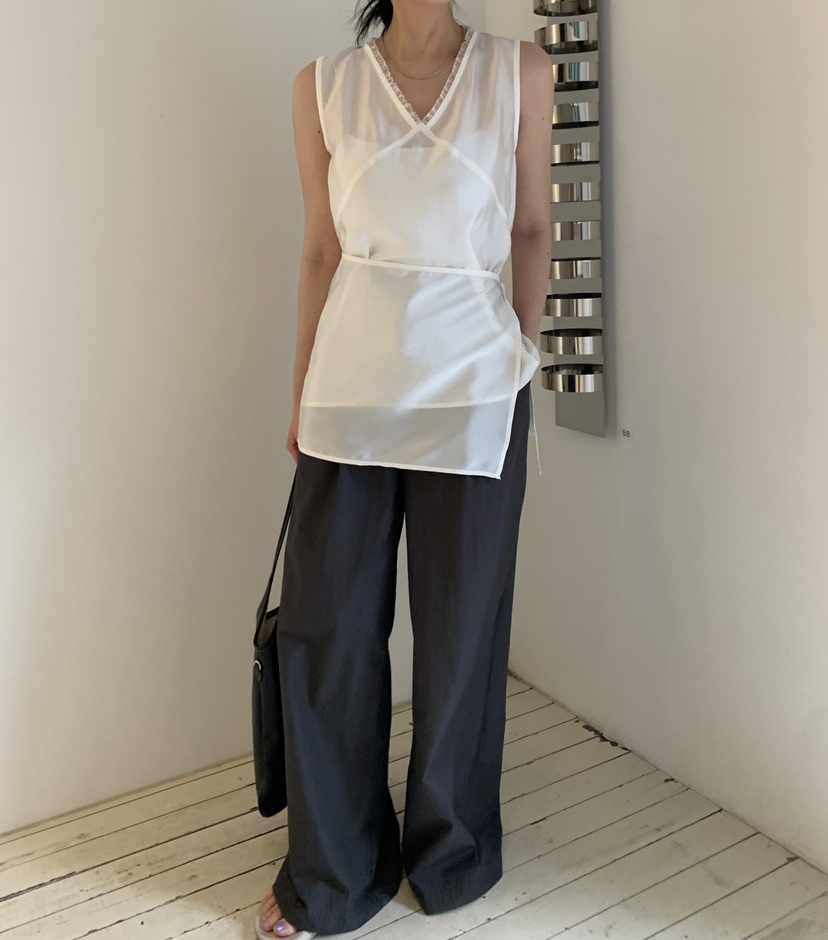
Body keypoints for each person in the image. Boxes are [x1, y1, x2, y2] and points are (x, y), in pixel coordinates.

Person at [257, 1, 554, 936]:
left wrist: (521, 359)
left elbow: (532, 229)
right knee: (327, 630)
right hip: (349, 389)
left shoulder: (523, 72)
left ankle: (450, 852)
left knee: (463, 633)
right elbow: (320, 249)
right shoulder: (321, 87)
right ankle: (333, 871)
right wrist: (301, 395)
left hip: (475, 388)